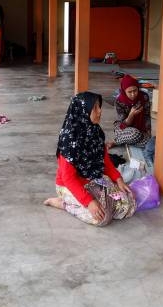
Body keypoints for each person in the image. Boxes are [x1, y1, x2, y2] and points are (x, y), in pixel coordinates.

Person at [44, 92, 136, 225]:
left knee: (127, 204)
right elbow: (68, 179)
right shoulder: (69, 140)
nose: (100, 111)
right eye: (95, 108)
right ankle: (63, 203)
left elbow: (105, 162)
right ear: (83, 111)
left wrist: (118, 179)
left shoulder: (95, 132)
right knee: (101, 218)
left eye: (99, 106)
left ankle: (82, 203)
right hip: (68, 186)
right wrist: (89, 202)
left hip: (93, 179)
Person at [112, 75, 152, 147]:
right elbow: (123, 124)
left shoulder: (144, 97)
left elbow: (147, 117)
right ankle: (116, 142)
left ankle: (127, 141)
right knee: (135, 134)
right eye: (129, 92)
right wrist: (131, 114)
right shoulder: (119, 101)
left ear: (138, 88)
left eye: (135, 90)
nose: (133, 94)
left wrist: (148, 134)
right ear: (124, 91)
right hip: (123, 129)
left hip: (140, 130)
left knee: (150, 142)